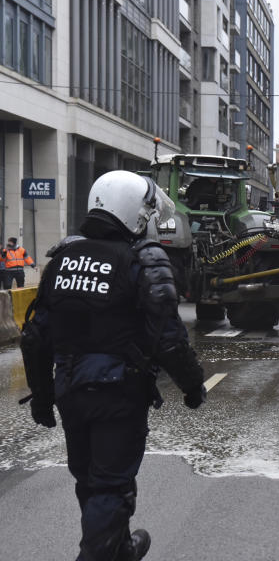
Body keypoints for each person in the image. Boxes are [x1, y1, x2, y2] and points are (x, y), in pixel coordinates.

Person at [19, 170, 207, 560]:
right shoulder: (144, 258)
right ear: (136, 215)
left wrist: (42, 397)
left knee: (90, 481)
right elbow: (168, 337)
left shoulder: (63, 258)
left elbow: (36, 337)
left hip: (69, 389)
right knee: (109, 485)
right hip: (118, 391)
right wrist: (192, 385)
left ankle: (118, 548)